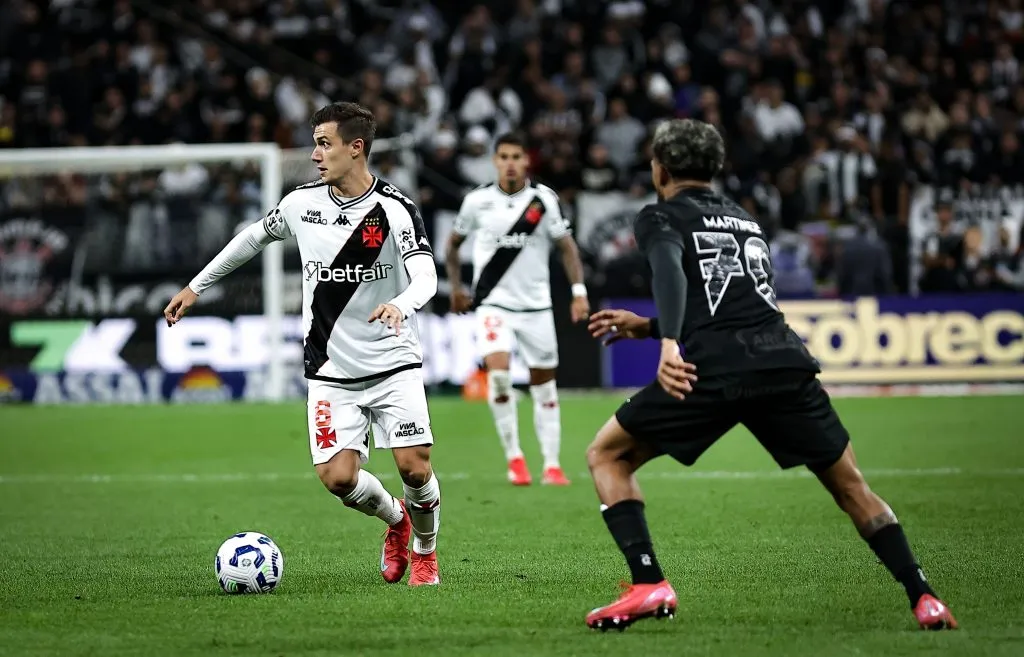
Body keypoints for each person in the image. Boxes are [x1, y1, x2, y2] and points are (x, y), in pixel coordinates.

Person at [583, 118, 958, 631]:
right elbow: (733, 303)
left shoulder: (659, 215)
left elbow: (670, 271)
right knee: (851, 487)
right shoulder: (744, 218)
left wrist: (668, 341)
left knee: (608, 454)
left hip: (713, 368)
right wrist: (649, 326)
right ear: (715, 168)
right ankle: (925, 597)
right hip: (784, 360)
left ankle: (648, 583)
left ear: (660, 168)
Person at [163, 102, 442, 587]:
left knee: (414, 468)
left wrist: (402, 303)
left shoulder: (394, 210)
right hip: (330, 365)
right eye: (315, 142)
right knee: (338, 479)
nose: (314, 154)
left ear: (356, 149)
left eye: (324, 143)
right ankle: (397, 521)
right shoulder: (301, 204)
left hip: (393, 361)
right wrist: (196, 286)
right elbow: (251, 239)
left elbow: (426, 275)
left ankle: (424, 551)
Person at [446, 132, 590, 486]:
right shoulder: (477, 201)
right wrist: (456, 288)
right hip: (493, 304)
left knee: (544, 387)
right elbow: (452, 245)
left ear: (527, 161)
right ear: (495, 161)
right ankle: (515, 459)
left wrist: (578, 291)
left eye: (516, 157)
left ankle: (552, 465)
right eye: (504, 157)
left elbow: (567, 248)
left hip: (537, 306)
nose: (510, 163)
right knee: (497, 374)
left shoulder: (543, 201)